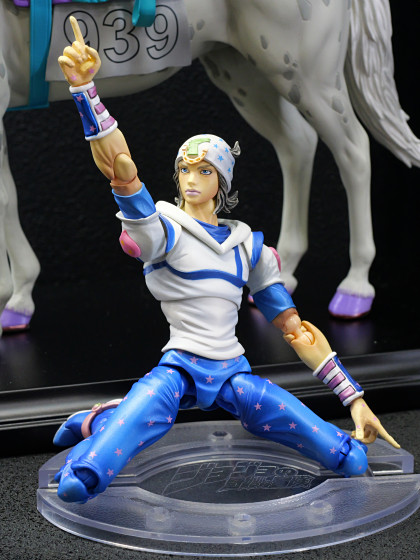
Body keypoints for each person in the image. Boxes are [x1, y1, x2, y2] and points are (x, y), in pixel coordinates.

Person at [53, 18, 399, 504]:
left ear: (222, 181)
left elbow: (298, 332)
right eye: (185, 169)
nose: (191, 178)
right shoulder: (165, 229)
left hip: (235, 373)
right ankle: (94, 453)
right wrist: (84, 89)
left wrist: (354, 400)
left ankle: (101, 417)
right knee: (133, 427)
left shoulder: (248, 247)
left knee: (348, 457)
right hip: (178, 368)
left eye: (204, 169)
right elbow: (120, 168)